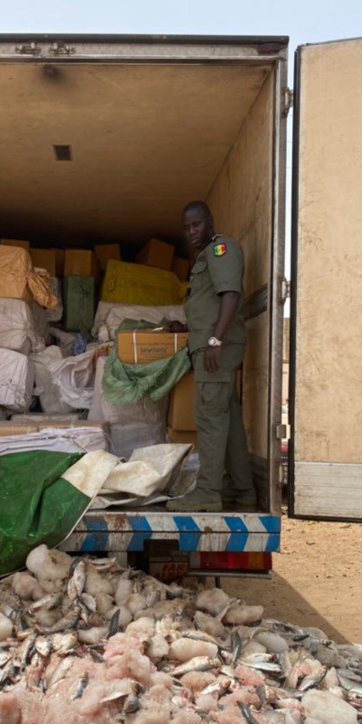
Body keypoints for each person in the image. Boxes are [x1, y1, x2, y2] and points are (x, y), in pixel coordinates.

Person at [166, 201, 257, 512]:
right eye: (187, 227)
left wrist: (216, 339)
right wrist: (188, 327)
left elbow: (230, 295)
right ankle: (243, 489)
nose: (191, 231)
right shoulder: (204, 256)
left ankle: (207, 492)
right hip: (211, 345)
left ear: (210, 222)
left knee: (209, 420)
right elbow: (209, 305)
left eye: (197, 224)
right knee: (227, 420)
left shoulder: (221, 249)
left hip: (216, 349)